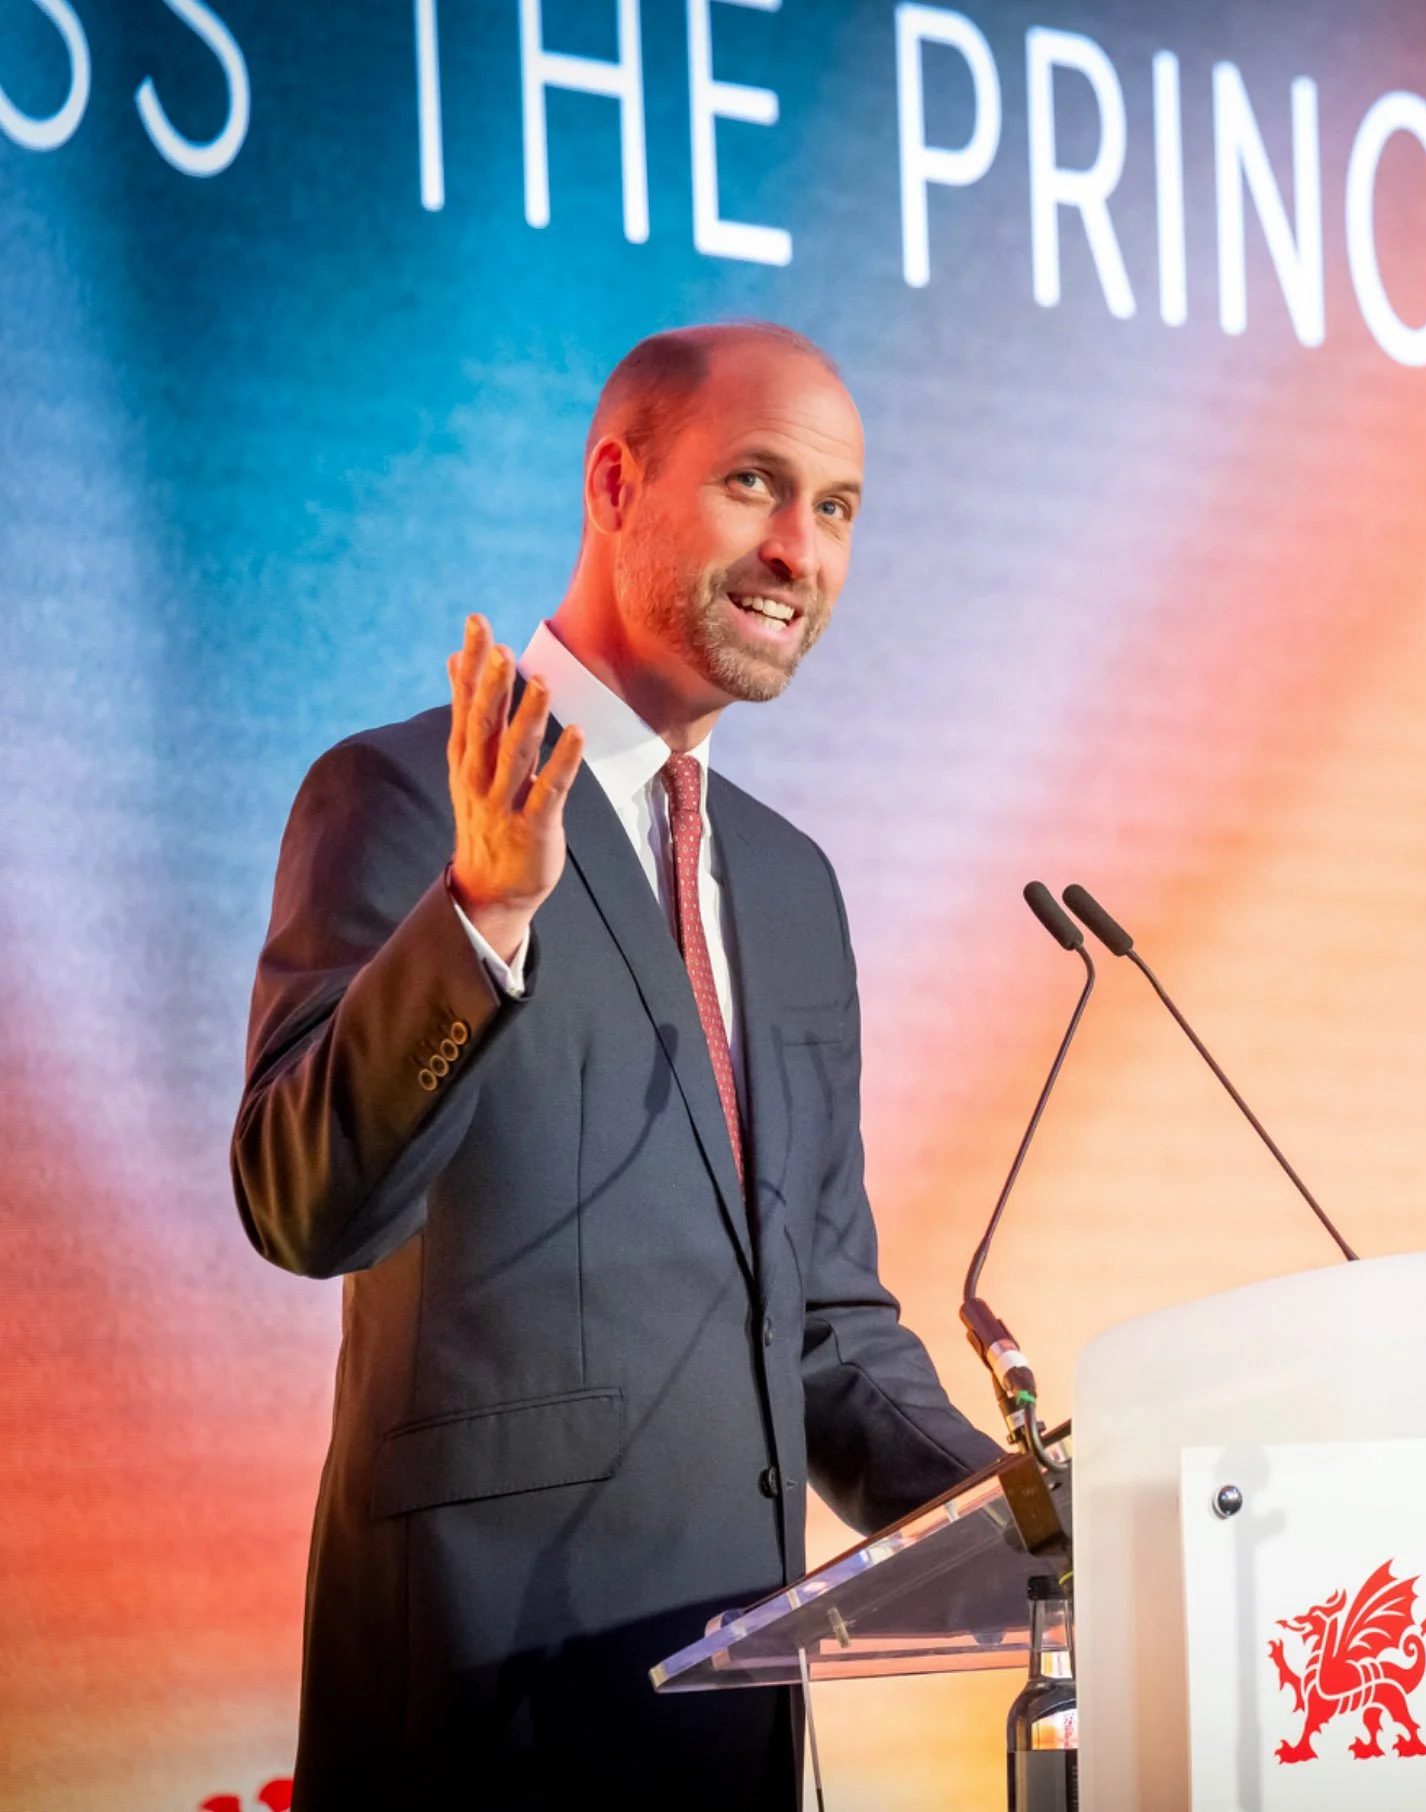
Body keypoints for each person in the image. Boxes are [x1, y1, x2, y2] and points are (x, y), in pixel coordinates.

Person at [231, 322, 1000, 1808]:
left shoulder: (789, 886)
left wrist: (1026, 1527)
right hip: (483, 1718)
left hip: (737, 1722)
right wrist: (483, 916)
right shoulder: (394, 800)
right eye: (756, 486)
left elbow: (825, 1322)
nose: (801, 550)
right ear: (615, 481)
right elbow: (299, 1203)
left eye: (836, 510)